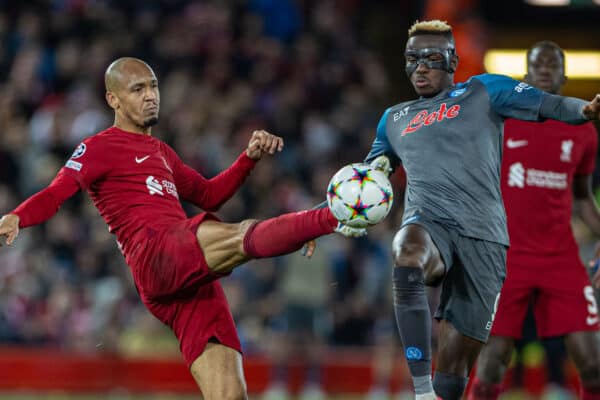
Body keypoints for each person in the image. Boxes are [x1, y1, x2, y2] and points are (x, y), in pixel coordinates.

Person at [0, 57, 364, 400]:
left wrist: (247, 158)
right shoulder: (97, 148)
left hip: (184, 276)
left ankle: (323, 219)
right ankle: (335, 215)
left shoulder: (161, 151)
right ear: (113, 98)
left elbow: (209, 194)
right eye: (137, 89)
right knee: (242, 234)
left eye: (153, 86)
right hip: (155, 252)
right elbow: (55, 193)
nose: (150, 96)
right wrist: (18, 216)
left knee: (231, 394)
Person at [364, 20, 600, 400]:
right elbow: (364, 185)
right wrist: (324, 219)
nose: (420, 67)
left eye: (430, 58)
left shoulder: (486, 91)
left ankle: (437, 391)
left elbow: (551, 104)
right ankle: (421, 391)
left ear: (453, 59)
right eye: (412, 59)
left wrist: (584, 109)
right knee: (407, 254)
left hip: (486, 240)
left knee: (455, 377)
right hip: (431, 222)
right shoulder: (393, 119)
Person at [468, 41, 600, 400]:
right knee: (493, 360)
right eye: (537, 65)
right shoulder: (501, 122)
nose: (544, 69)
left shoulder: (583, 132)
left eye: (552, 65)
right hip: (507, 257)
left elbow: (582, 198)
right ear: (525, 75)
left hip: (560, 257)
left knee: (592, 363)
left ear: (564, 76)